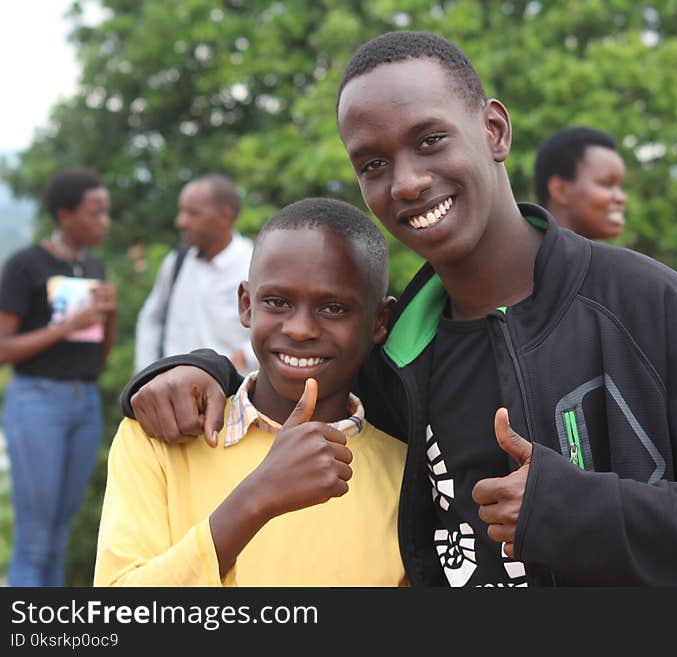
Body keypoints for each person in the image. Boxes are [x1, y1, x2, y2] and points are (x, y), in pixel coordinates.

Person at [119, 31, 677, 586]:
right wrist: (197, 368)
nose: (406, 181)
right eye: (371, 163)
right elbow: (294, 369)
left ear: (494, 131)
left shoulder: (639, 301)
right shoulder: (399, 354)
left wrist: (582, 510)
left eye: (430, 140)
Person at [95, 198, 405, 586]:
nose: (300, 329)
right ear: (246, 304)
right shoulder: (159, 436)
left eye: (333, 308)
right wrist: (255, 499)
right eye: (277, 302)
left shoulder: (408, 474)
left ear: (379, 322)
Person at [0, 167, 117, 586]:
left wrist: (110, 311)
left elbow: (98, 354)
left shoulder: (93, 266)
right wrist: (67, 325)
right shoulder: (25, 266)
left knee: (59, 535)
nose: (104, 221)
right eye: (95, 213)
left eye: (106, 212)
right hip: (38, 400)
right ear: (65, 215)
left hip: (82, 401)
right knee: (35, 538)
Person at [134, 173, 256, 373]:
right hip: (172, 392)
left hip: (230, 396)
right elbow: (151, 318)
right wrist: (146, 373)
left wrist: (247, 355)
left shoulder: (253, 266)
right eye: (182, 212)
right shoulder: (177, 262)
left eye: (192, 213)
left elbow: (275, 328)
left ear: (224, 216)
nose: (180, 222)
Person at [533, 126, 627, 240]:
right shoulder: (519, 254)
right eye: (607, 184)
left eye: (620, 186)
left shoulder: (593, 257)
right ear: (560, 190)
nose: (621, 198)